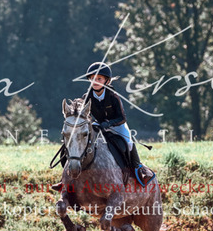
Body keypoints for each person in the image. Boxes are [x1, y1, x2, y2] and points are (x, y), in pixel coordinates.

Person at [53, 62, 155, 190]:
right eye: (92, 78)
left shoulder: (113, 96)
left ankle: (138, 170)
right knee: (74, 142)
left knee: (129, 143)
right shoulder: (87, 96)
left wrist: (109, 123)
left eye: (99, 79)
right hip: (98, 124)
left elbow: (122, 118)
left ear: (107, 81)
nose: (95, 81)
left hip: (117, 125)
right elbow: (83, 113)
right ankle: (64, 179)